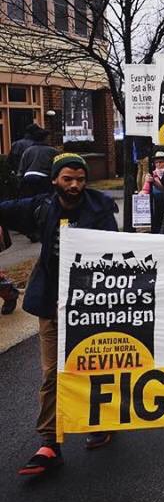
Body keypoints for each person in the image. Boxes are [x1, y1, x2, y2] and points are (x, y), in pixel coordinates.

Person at [0, 153, 119, 475]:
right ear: (55, 179)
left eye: (80, 179)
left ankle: (100, 421)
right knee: (53, 373)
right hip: (52, 304)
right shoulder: (41, 205)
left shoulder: (100, 208)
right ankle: (50, 442)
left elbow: (116, 251)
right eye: (68, 179)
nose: (75, 185)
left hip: (92, 308)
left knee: (95, 366)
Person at [17, 129, 58, 198]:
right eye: (49, 138)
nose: (50, 140)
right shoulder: (52, 151)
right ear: (45, 139)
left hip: (27, 177)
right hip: (43, 178)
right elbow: (57, 167)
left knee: (28, 201)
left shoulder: (28, 150)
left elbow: (21, 169)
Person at [141, 150, 164, 234]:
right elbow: (145, 190)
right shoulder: (151, 173)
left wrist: (154, 181)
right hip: (156, 205)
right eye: (156, 162)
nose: (158, 164)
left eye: (161, 162)